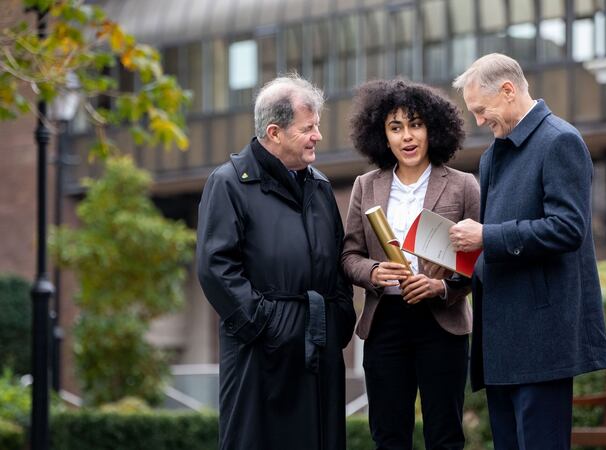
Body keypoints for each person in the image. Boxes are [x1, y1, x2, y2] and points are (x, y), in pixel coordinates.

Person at [449, 53, 606, 450]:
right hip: (501, 339)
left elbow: (568, 229)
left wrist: (487, 236)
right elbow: (496, 244)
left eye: (481, 110)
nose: (479, 121)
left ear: (508, 91)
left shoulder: (560, 140)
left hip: (541, 340)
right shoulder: (492, 156)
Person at [196, 75, 356, 450]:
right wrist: (269, 325)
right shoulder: (229, 183)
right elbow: (215, 267)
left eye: (317, 126)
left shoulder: (319, 186)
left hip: (318, 349)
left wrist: (337, 321)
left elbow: (336, 264)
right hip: (259, 356)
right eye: (308, 128)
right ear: (275, 132)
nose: (318, 135)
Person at [341, 79, 480, 450]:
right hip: (385, 320)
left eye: (415, 124)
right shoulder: (365, 186)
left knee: (445, 435)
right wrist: (372, 271)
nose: (407, 136)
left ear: (432, 128)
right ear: (382, 136)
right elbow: (348, 256)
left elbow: (478, 263)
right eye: (395, 127)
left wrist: (443, 287)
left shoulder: (464, 186)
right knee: (388, 435)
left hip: (442, 322)